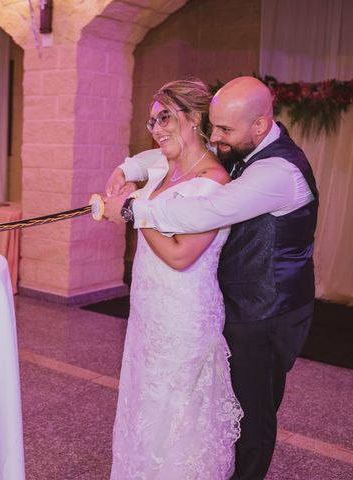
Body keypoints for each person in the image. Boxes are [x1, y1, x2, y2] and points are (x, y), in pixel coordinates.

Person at [105, 76, 318, 479]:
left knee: (252, 414)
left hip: (270, 308)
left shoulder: (276, 171)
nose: (215, 135)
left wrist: (134, 210)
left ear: (258, 125)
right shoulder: (241, 145)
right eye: (213, 126)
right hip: (231, 300)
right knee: (211, 405)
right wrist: (128, 167)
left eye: (223, 129)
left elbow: (206, 214)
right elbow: (163, 159)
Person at [104, 79, 243, 479]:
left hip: (184, 317)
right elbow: (147, 159)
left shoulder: (214, 183)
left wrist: (134, 211)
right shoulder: (164, 168)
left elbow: (181, 255)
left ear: (196, 117)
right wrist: (125, 172)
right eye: (151, 121)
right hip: (149, 313)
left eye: (165, 116)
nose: (157, 128)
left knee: (177, 415)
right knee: (145, 407)